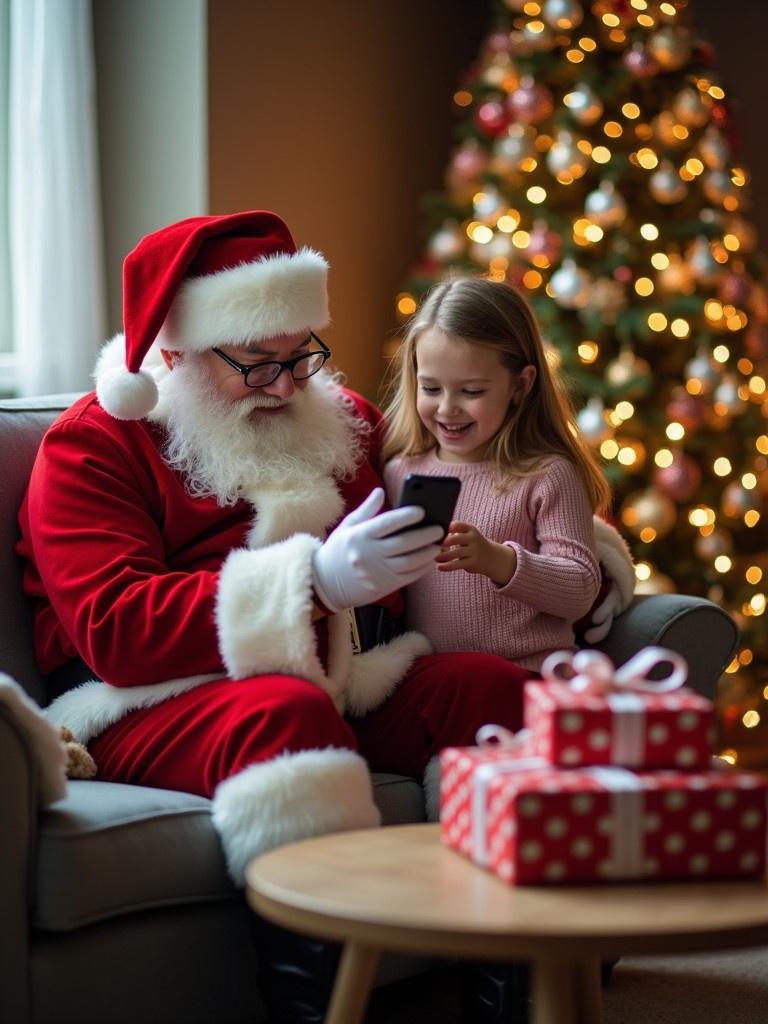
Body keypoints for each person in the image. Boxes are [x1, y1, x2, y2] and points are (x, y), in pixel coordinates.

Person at [16, 210, 546, 1023]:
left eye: (303, 354)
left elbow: (459, 496)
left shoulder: (344, 420)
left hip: (341, 670)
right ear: (175, 352)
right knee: (284, 712)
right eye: (258, 364)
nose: (291, 384)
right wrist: (315, 583)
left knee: (490, 691)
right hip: (147, 697)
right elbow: (116, 630)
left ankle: (513, 993)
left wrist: (559, 565)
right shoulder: (92, 447)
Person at [381, 276, 636, 671]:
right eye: (431, 388)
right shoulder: (399, 473)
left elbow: (581, 588)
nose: (447, 409)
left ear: (520, 385)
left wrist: (498, 561)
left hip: (528, 677)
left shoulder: (545, 475)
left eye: (471, 392)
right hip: (434, 681)